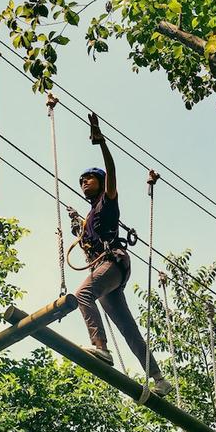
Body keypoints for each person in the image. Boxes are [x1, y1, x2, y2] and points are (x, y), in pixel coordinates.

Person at [71, 112, 172, 397]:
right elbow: (88, 242)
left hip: (112, 263)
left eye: (89, 179)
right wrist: (78, 226)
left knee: (82, 295)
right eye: (82, 181)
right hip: (104, 270)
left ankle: (101, 347)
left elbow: (112, 170)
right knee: (128, 327)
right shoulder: (90, 216)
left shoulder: (108, 200)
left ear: (101, 182)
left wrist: (101, 142)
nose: (84, 183)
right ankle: (159, 378)